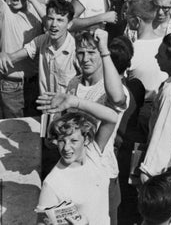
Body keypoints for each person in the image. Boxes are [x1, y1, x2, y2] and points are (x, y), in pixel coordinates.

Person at [36, 91, 119, 225]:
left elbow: (112, 118)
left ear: (86, 139)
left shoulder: (93, 153)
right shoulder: (52, 184)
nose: (66, 148)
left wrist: (74, 101)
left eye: (73, 140)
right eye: (62, 140)